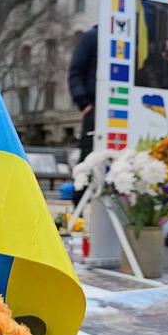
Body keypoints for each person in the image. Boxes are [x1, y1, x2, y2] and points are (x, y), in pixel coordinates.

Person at [68, 26, 97, 206]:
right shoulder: (91, 37)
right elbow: (76, 71)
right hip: (94, 109)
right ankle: (78, 205)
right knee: (87, 159)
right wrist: (84, 103)